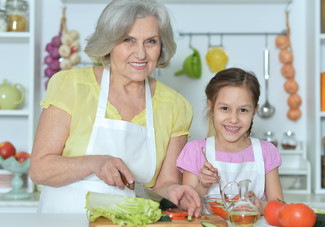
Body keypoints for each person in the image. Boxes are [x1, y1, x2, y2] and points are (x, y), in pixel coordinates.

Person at [30, 0, 201, 216]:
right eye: (128, 40)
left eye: (150, 41)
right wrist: (94, 164)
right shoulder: (72, 86)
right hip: (62, 223)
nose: (141, 54)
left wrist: (176, 192)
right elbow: (39, 170)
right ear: (109, 43)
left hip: (127, 226)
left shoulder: (175, 106)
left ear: (161, 46)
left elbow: (164, 184)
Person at [176, 68, 283, 215]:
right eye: (225, 108)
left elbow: (280, 207)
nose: (233, 119)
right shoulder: (194, 150)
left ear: (254, 111)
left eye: (243, 110)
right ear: (211, 107)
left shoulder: (266, 152)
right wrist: (204, 185)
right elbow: (186, 206)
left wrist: (261, 207)